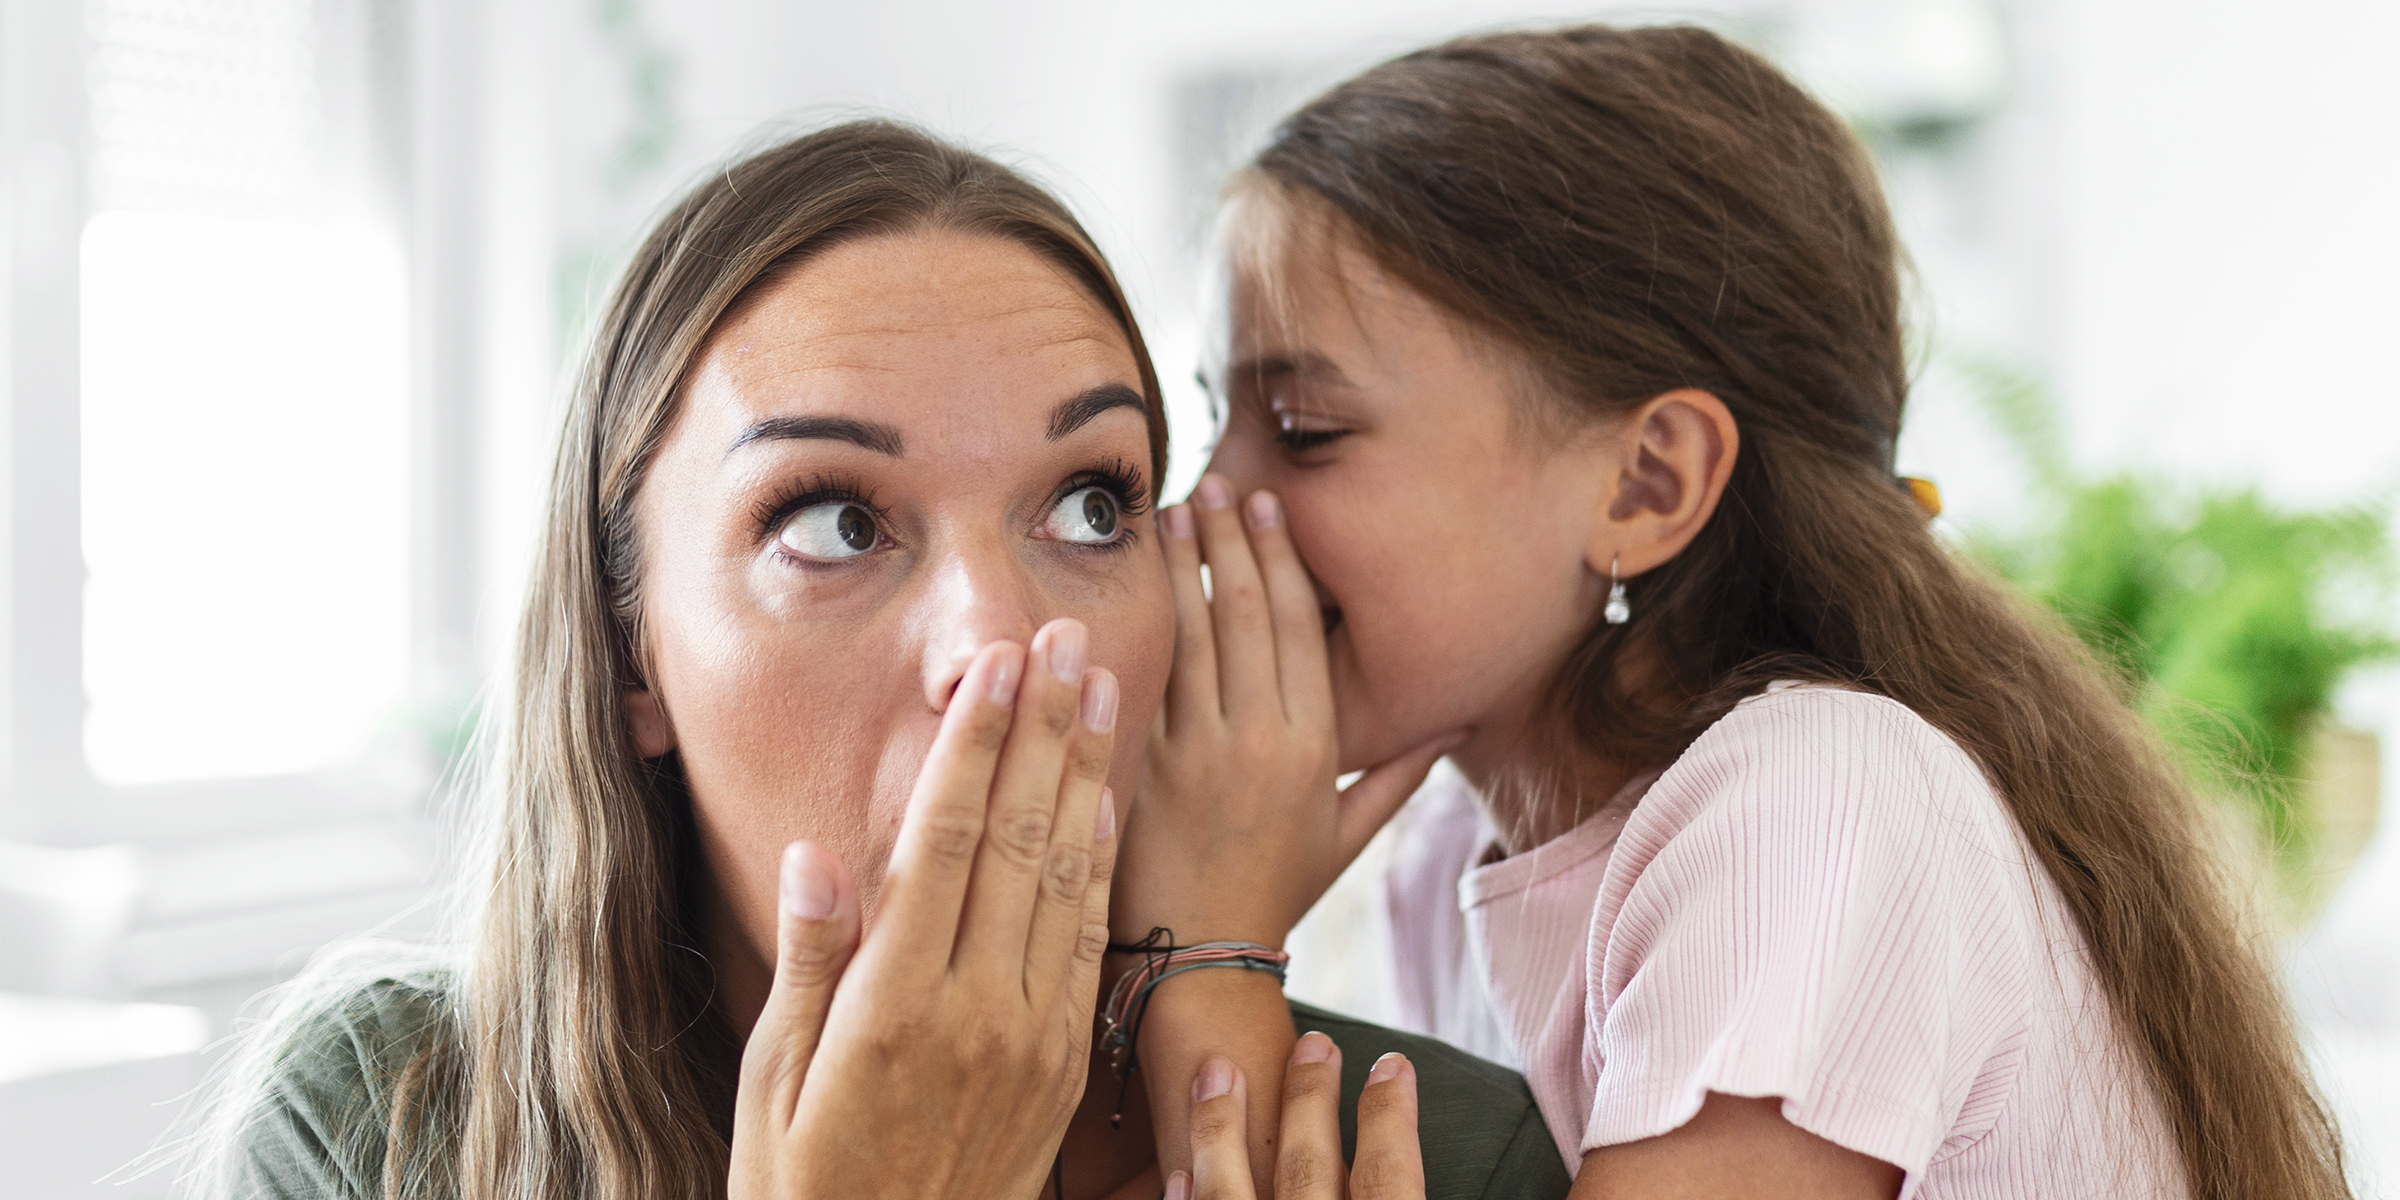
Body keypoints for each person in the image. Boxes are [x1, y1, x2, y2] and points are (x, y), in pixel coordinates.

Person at [192, 121, 1569, 1200]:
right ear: (633, 661)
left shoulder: (1429, 1152)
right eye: (836, 522)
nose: (999, 644)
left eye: (1093, 506)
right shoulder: (389, 1128)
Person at [1146, 24, 2353, 1200]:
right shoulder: (1443, 859)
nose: (1202, 508)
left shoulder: (1816, 805)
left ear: (1647, 483)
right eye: (1215, 423)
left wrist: (1204, 948)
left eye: (1305, 432)